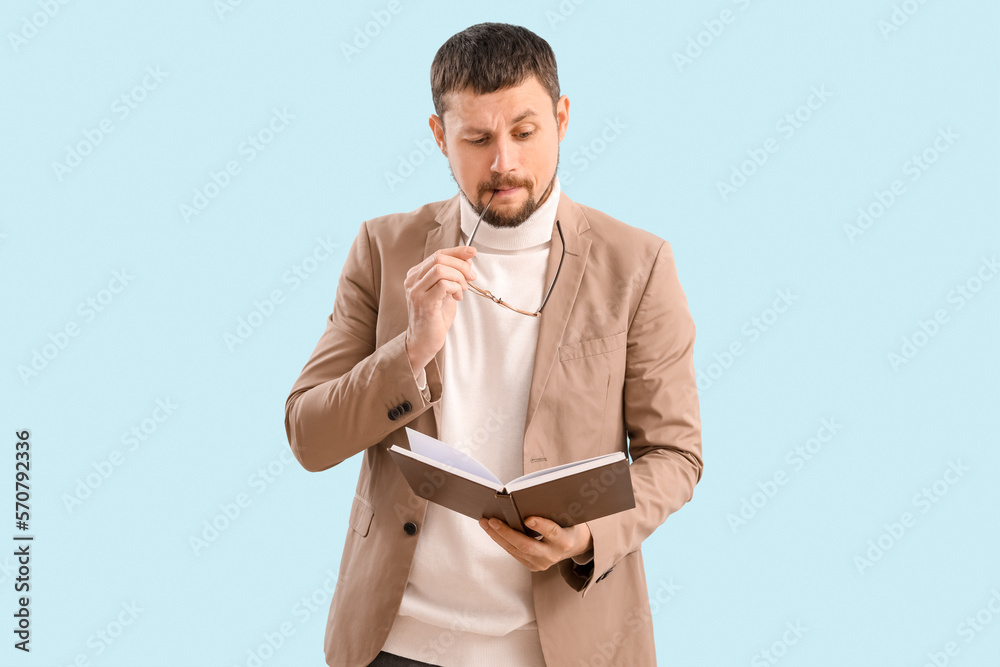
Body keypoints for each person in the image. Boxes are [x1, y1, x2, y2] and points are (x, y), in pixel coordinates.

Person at [284, 22, 703, 667]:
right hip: (395, 643)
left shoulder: (638, 265)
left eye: (524, 132)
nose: (503, 161)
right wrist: (410, 352)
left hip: (563, 645)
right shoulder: (383, 248)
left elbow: (674, 453)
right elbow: (309, 437)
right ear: (438, 137)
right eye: (477, 138)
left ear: (562, 119)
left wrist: (586, 536)